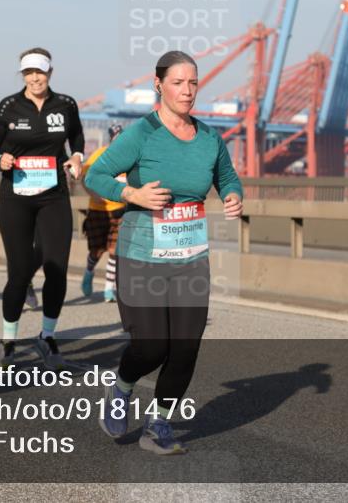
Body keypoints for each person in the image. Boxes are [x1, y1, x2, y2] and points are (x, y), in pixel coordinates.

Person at [85, 50, 243, 455]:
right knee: (153, 346)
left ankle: (159, 425)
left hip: (190, 257)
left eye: (193, 83)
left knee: (186, 346)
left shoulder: (209, 137)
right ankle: (120, 389)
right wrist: (132, 193)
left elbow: (227, 176)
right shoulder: (143, 133)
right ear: (159, 85)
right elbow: (95, 174)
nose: (187, 91)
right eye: (178, 82)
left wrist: (232, 196)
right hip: (142, 256)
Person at [0, 47, 84, 370]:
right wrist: (1, 160)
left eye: (40, 71)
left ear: (50, 72)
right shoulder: (9, 106)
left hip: (53, 195)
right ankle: (8, 341)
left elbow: (77, 138)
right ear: (22, 74)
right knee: (21, 270)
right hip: (16, 196)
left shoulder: (65, 104)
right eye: (28, 72)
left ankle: (47, 337)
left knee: (56, 268)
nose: (35, 78)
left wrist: (78, 157)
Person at [80, 124, 126, 300]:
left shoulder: (129, 156)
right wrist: (93, 194)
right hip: (99, 209)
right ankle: (89, 271)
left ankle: (109, 288)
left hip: (120, 209)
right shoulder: (99, 154)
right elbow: (84, 178)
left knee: (115, 250)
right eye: (117, 137)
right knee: (97, 251)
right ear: (111, 138)